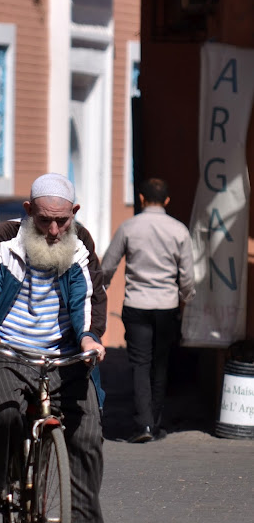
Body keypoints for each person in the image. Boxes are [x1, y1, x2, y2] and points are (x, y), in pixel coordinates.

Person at [0, 173, 107, 523]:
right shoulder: (3, 241)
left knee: (89, 434)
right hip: (8, 352)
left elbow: (90, 297)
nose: (54, 230)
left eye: (62, 220)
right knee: (5, 413)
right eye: (44, 220)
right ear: (29, 211)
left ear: (73, 214)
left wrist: (91, 338)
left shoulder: (80, 247)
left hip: (64, 357)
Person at [102, 178, 195, 443]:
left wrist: (102, 287)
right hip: (166, 306)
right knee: (161, 364)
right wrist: (185, 298)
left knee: (140, 364)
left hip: (136, 304)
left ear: (141, 198)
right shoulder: (179, 230)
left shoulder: (129, 227)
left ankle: (142, 424)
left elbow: (108, 265)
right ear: (167, 200)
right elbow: (187, 275)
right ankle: (154, 423)